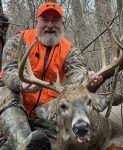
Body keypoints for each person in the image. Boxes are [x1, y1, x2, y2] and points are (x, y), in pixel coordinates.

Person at [0, 2, 103, 150]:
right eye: (45, 20)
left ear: (62, 23)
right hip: (14, 110)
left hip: (46, 113)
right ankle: (23, 145)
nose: (50, 25)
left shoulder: (69, 49)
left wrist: (87, 79)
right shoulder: (18, 42)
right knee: (5, 92)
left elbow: (77, 72)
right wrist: (21, 83)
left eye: (55, 20)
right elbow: (9, 71)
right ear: (37, 22)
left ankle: (14, 144)